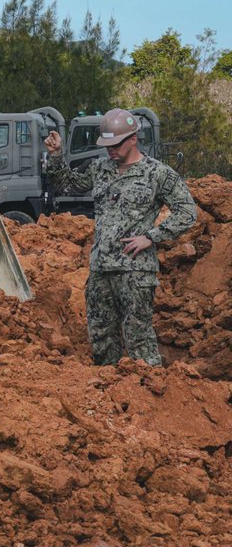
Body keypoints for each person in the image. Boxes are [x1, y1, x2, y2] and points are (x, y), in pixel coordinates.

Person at [45, 109, 196, 366]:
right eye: (106, 145)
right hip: (101, 270)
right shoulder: (100, 169)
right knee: (101, 336)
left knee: (138, 338)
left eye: (115, 144)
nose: (110, 151)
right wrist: (56, 155)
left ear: (133, 139)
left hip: (135, 272)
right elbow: (67, 184)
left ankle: (150, 395)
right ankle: (108, 396)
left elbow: (187, 212)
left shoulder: (157, 174)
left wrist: (151, 236)